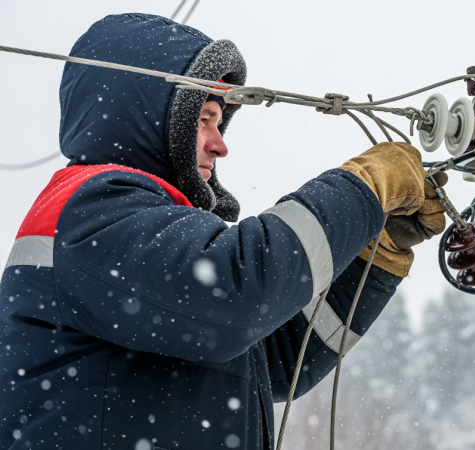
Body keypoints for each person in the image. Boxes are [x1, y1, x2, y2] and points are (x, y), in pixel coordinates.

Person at [0, 13, 447, 450]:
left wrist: (375, 252)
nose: (221, 144)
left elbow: (276, 359)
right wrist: (365, 187)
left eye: (219, 122)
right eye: (203, 119)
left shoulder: (151, 237)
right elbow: (239, 295)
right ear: (146, 114)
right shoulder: (89, 208)